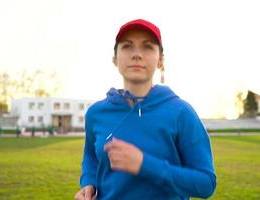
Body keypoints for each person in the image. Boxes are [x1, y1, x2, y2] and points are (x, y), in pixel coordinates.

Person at [75, 19, 216, 200]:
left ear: (160, 61)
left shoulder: (181, 113)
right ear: (115, 59)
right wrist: (88, 182)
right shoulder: (96, 113)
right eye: (127, 46)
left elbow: (206, 184)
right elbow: (91, 157)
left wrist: (143, 164)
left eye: (147, 47)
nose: (137, 55)